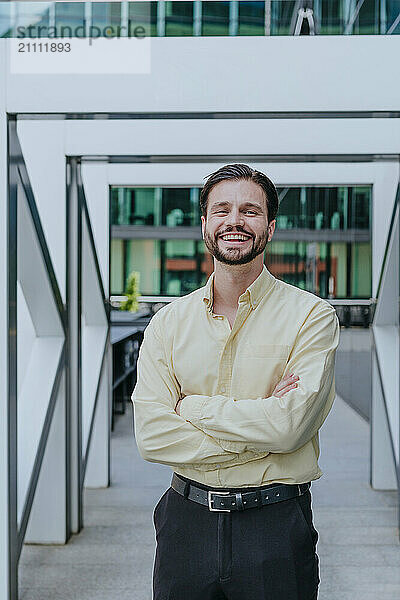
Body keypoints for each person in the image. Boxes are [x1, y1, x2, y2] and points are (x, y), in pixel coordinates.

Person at [131, 163, 340, 600]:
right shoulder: (168, 323)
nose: (235, 221)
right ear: (205, 223)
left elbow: (290, 427)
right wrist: (264, 429)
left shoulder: (311, 317)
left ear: (270, 226)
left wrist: (191, 409)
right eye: (222, 209)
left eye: (250, 211)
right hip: (185, 525)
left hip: (275, 526)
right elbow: (151, 436)